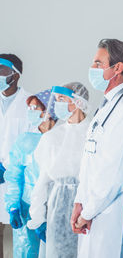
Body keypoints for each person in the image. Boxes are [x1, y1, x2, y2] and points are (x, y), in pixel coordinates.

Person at [71, 39, 123, 258]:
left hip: (112, 213)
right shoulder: (107, 106)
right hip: (92, 209)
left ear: (117, 68)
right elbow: (90, 160)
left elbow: (116, 173)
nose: (92, 68)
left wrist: (88, 210)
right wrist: (80, 201)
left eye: (98, 63)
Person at [27, 82, 91, 257]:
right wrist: (37, 216)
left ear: (78, 102)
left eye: (62, 99)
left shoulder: (94, 132)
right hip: (57, 207)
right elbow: (42, 180)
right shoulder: (52, 137)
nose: (57, 104)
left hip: (88, 205)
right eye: (56, 100)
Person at [4, 88, 58, 258]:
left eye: (35, 108)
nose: (30, 113)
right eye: (30, 108)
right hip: (26, 209)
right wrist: (13, 206)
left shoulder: (63, 139)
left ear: (49, 111)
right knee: (26, 252)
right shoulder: (25, 141)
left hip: (55, 209)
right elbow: (14, 175)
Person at [0, 54, 31, 256]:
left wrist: (8, 167)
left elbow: (32, 142)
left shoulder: (30, 103)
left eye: (2, 70)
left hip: (18, 178)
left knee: (24, 238)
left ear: (16, 75)